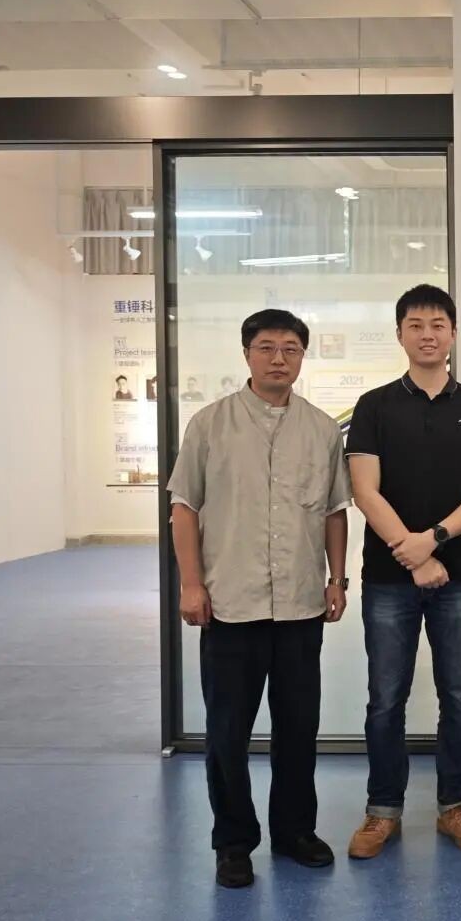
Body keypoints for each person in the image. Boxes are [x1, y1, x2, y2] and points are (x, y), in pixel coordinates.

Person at [167, 308, 352, 889]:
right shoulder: (209, 425)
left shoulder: (322, 430)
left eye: (291, 348)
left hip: (300, 605)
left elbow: (334, 511)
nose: (279, 358)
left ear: (302, 358)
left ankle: (295, 832)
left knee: (298, 729)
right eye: (267, 347)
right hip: (231, 604)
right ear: (246, 354)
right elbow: (184, 508)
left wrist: (338, 579)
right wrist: (191, 584)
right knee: (228, 734)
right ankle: (233, 842)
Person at [345, 284, 461, 859]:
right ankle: (382, 812)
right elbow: (365, 490)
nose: (428, 334)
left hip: (460, 578)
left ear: (453, 334)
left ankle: (455, 807)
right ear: (400, 335)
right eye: (416, 324)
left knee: (459, 696)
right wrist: (410, 553)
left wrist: (430, 541)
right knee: (385, 699)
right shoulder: (374, 406)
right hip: (388, 581)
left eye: (438, 324)